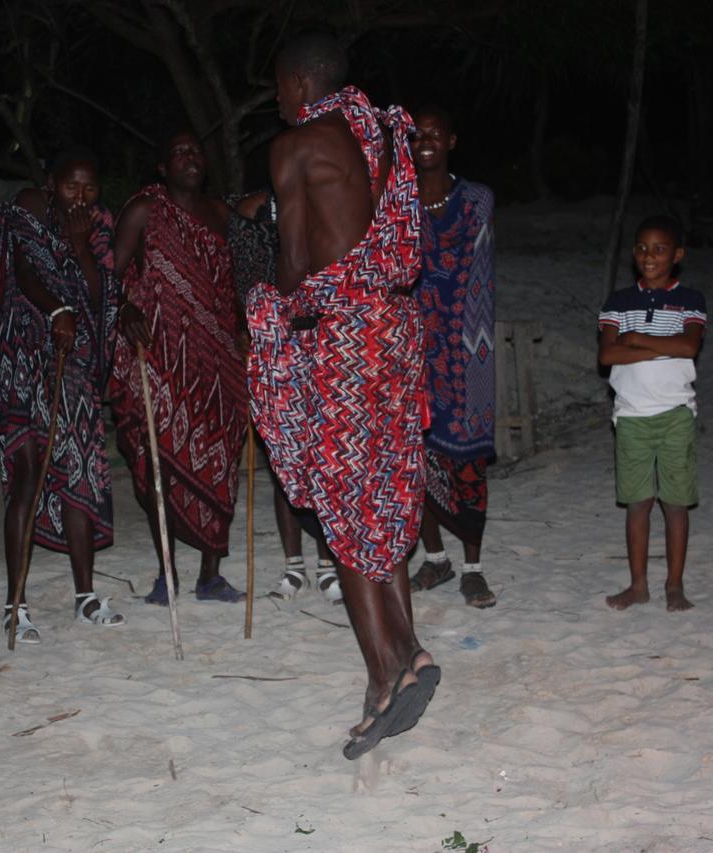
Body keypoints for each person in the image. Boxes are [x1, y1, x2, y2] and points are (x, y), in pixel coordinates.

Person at [247, 32, 437, 759]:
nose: (276, 100)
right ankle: (410, 652)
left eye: (277, 86)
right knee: (381, 491)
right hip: (394, 330)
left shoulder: (296, 146)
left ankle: (386, 672)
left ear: (299, 82)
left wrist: (267, 310)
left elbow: (296, 263)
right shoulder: (382, 132)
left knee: (340, 501)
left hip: (343, 340)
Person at [111, 129, 248, 605]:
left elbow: (236, 282)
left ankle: (210, 575)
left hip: (217, 363)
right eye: (179, 152)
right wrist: (125, 308)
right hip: (162, 359)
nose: (190, 157)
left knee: (220, 462)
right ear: (164, 168)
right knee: (159, 466)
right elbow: (112, 275)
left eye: (196, 152)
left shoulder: (220, 215)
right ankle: (166, 573)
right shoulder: (145, 210)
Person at [0, 148, 123, 636]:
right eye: (73, 186)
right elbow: (25, 273)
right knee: (27, 470)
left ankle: (85, 596)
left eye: (91, 188)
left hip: (73, 361)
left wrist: (80, 245)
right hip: (25, 355)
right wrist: (53, 310)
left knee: (80, 469)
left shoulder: (99, 225)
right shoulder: (27, 208)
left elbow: (98, 297)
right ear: (53, 184)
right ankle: (15, 603)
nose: (82, 197)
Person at [227, 190, 340, 603]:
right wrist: (249, 327)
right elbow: (246, 278)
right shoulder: (255, 212)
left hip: (324, 342)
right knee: (282, 458)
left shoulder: (328, 202)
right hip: (276, 347)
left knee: (325, 458)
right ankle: (294, 567)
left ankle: (329, 565)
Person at [407, 106, 498, 608]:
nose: (426, 141)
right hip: (412, 351)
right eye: (417, 134)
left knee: (466, 464)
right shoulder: (394, 204)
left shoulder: (478, 200)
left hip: (466, 352)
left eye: (435, 134)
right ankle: (436, 559)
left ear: (452, 140)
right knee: (416, 459)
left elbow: (478, 279)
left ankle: (473, 567)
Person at [598, 215, 705, 611]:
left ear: (677, 255)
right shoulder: (618, 302)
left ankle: (674, 585)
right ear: (633, 253)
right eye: (642, 248)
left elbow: (689, 347)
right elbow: (608, 354)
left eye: (660, 249)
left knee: (676, 504)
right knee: (638, 503)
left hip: (676, 412)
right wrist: (668, 343)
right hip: (630, 415)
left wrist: (639, 339)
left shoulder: (690, 300)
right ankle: (639, 584)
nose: (649, 256)